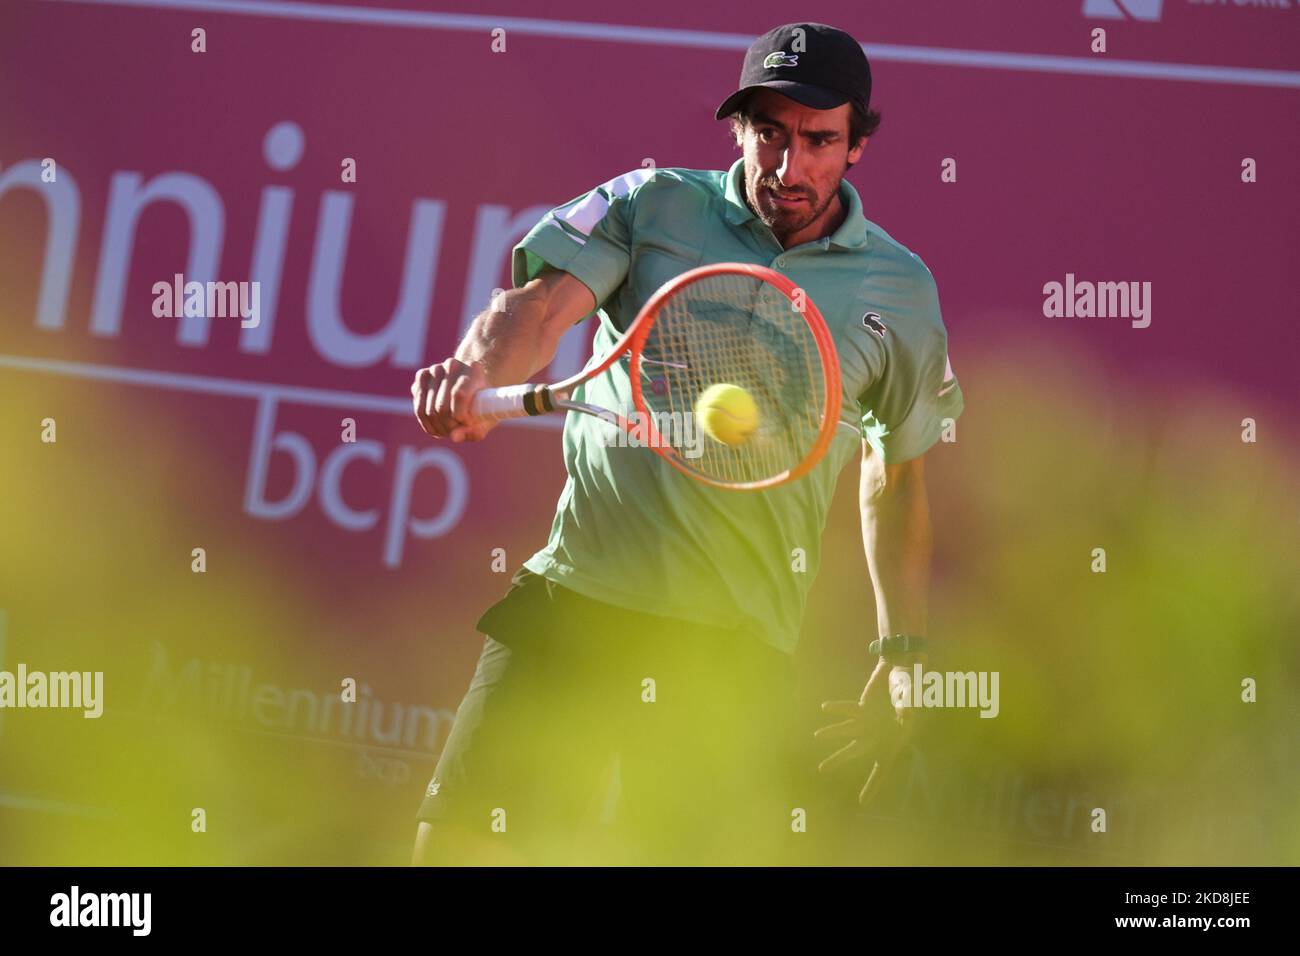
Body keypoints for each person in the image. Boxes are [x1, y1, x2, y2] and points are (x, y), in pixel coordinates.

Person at [410, 22, 964, 866]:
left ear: (856, 146)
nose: (789, 166)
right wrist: (474, 375)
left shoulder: (902, 292)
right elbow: (535, 312)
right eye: (770, 132)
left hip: (729, 655)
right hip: (575, 603)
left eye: (819, 140)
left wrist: (902, 655)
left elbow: (894, 477)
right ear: (738, 128)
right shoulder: (651, 204)